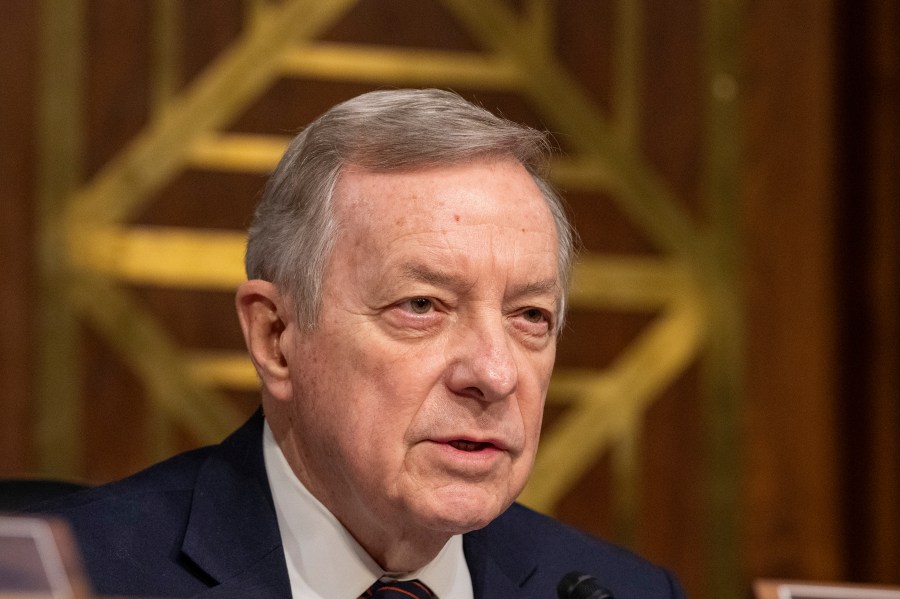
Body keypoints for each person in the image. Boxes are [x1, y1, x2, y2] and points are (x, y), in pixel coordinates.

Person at [34, 89, 686, 598]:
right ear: (276, 335)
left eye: (531, 316)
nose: (494, 372)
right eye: (422, 305)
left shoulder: (623, 591)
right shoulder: (79, 575)